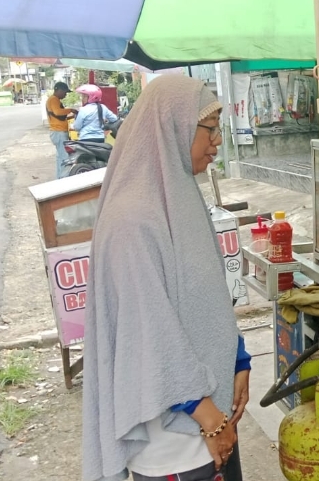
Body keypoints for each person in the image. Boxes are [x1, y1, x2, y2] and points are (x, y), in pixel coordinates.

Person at [82, 75, 249, 481]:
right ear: (172, 127)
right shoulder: (131, 221)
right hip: (174, 446)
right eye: (209, 129)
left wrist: (238, 358)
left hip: (211, 425)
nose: (216, 142)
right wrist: (210, 418)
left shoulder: (178, 198)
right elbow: (150, 334)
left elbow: (204, 297)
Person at [46, 82, 77, 179]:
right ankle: (64, 180)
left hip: (57, 132)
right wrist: (70, 110)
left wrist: (71, 116)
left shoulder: (54, 100)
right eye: (65, 92)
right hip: (58, 132)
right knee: (65, 158)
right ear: (59, 90)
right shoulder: (53, 99)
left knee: (60, 158)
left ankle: (59, 178)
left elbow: (59, 117)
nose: (65, 95)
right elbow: (57, 112)